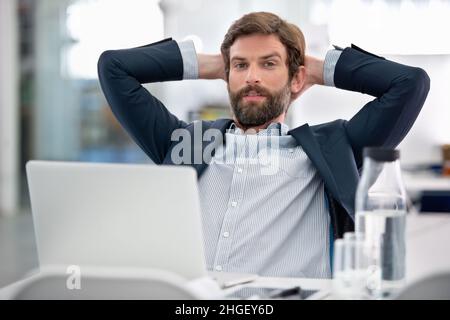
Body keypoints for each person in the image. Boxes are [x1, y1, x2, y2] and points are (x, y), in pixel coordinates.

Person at [97, 12, 430, 279]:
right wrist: (216, 65)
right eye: (241, 65)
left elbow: (409, 83)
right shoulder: (188, 142)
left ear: (297, 78)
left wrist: (313, 69)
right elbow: (114, 68)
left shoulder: (334, 146)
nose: (251, 77)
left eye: (268, 64)